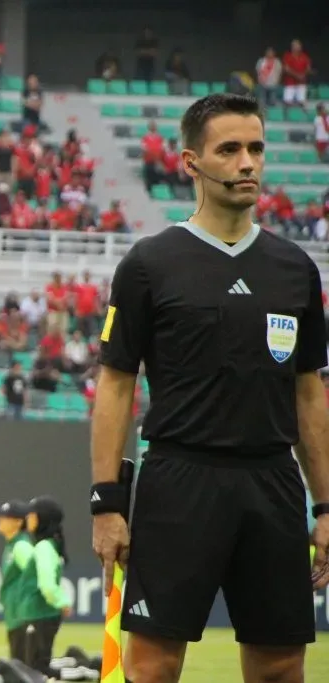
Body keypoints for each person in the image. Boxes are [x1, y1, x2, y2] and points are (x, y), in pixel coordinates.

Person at [90, 92, 329, 683]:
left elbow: (308, 394)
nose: (247, 162)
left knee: (281, 668)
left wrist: (326, 507)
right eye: (230, 149)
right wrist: (107, 504)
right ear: (191, 162)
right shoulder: (149, 264)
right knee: (151, 667)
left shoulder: (295, 269)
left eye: (256, 148)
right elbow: (115, 386)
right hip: (179, 480)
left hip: (273, 483)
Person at [18, 496, 71, 673]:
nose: (28, 519)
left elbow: (47, 584)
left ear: (43, 519)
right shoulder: (48, 546)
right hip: (40, 614)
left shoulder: (44, 547)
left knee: (37, 668)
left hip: (40, 613)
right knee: (37, 665)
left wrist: (61, 602)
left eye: (32, 516)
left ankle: (81, 669)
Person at [0, 499, 33, 660]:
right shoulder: (12, 545)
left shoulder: (21, 546)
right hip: (15, 615)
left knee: (21, 665)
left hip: (21, 617)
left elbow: (34, 576)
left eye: (4, 517)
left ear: (18, 522)